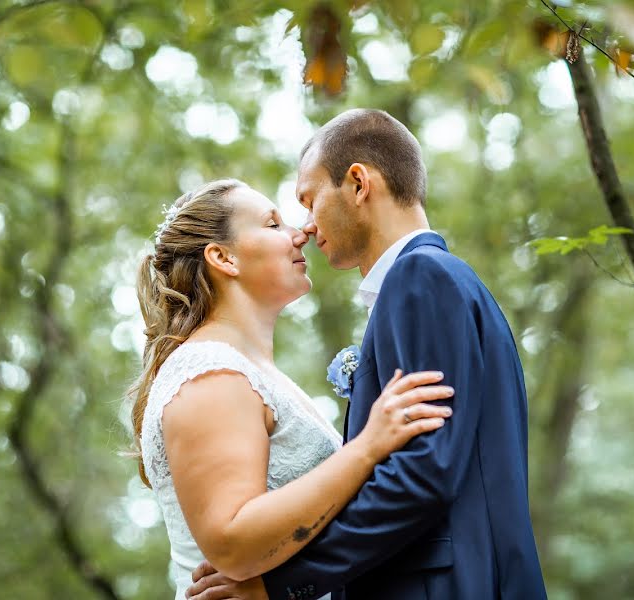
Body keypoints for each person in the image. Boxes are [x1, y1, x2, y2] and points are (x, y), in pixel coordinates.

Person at [186, 109, 547, 599]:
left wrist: (278, 586)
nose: (306, 227)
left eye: (309, 201)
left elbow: (423, 472)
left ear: (358, 183)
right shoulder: (445, 282)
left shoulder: (421, 279)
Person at [129, 177, 455, 600]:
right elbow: (232, 543)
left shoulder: (254, 373)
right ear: (223, 257)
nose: (300, 233)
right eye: (272, 224)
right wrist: (367, 447)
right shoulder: (208, 371)